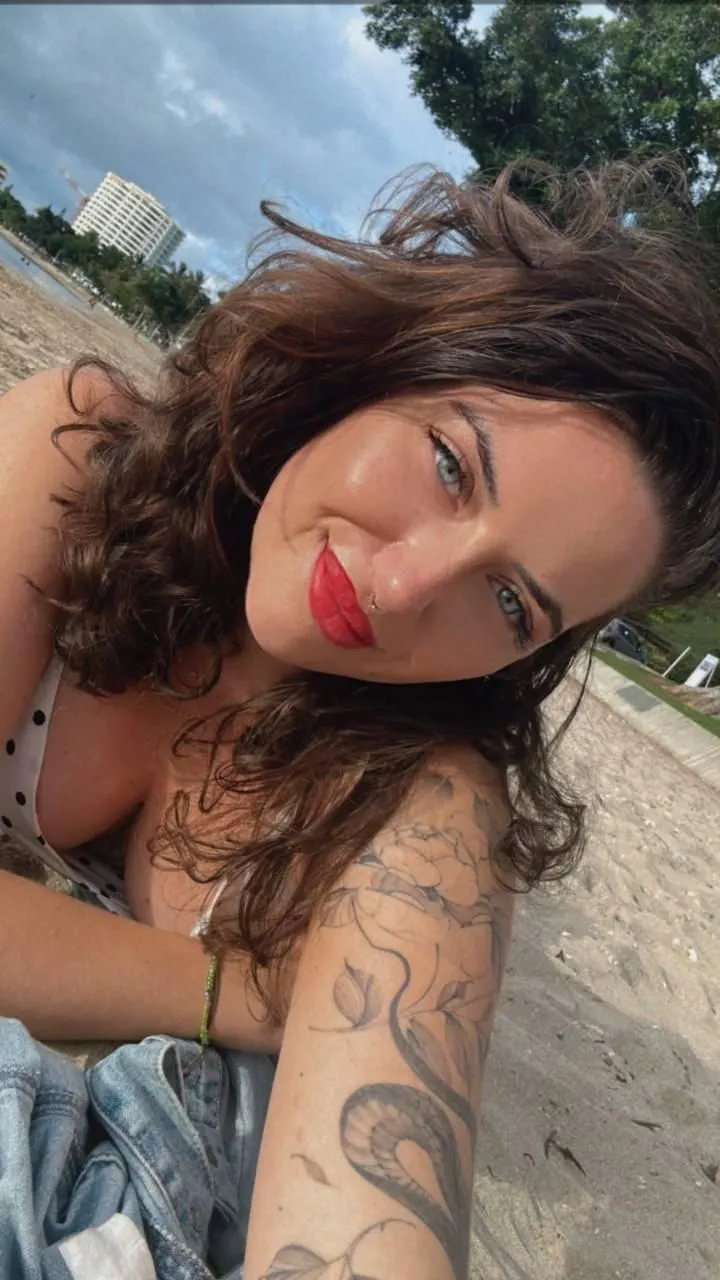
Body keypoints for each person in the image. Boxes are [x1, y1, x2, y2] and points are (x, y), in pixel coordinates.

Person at [1, 159, 719, 1280]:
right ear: (378, 365)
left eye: (510, 601)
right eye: (448, 465)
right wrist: (229, 990)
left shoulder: (427, 797)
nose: (402, 588)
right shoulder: (81, 456)